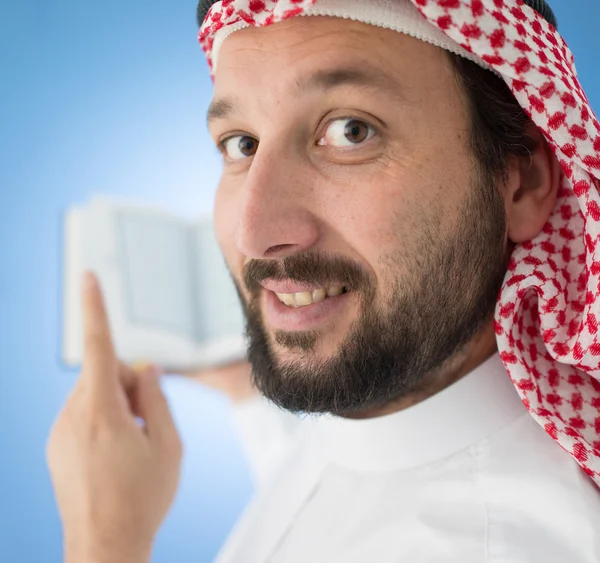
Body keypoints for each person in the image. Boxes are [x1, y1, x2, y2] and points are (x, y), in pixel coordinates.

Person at [46, 0, 600, 562]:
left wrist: (104, 539)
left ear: (523, 182)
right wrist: (251, 400)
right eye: (242, 143)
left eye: (351, 131)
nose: (254, 234)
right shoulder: (392, 410)